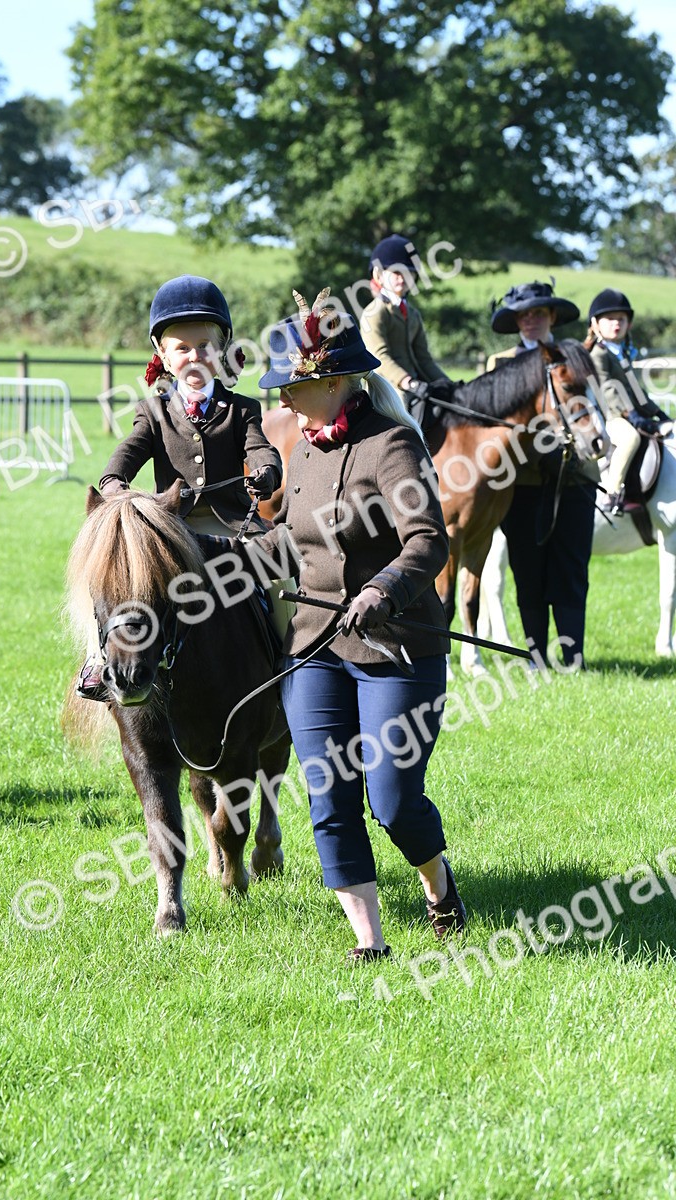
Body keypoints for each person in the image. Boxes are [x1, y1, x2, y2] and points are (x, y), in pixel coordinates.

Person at [195, 288, 466, 959]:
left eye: (292, 386)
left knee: (395, 800)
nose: (281, 400)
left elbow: (427, 540)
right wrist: (215, 561)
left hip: (398, 647)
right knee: (329, 794)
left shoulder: (393, 444)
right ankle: (370, 944)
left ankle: (439, 888)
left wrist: (383, 589)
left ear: (335, 381)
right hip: (313, 650)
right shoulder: (308, 452)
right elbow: (290, 542)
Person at [78, 274, 283, 700]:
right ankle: (100, 663)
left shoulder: (242, 408)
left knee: (280, 580)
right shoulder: (153, 412)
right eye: (182, 348)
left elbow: (261, 449)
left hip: (231, 530)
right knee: (121, 581)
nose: (194, 357)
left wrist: (267, 471)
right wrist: (114, 482)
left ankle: (294, 663)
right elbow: (129, 450)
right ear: (164, 356)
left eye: (204, 347)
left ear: (222, 350)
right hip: (172, 531)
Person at [487, 280, 596, 669]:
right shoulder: (500, 364)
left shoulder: (577, 355)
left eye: (537, 313)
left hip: (576, 479)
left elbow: (590, 410)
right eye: (523, 315)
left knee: (571, 568)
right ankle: (535, 657)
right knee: (527, 570)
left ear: (551, 315)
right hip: (523, 483)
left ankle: (573, 657)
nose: (530, 320)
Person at [586, 287, 673, 513]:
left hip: (626, 413)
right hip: (607, 415)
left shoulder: (623, 353)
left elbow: (636, 390)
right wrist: (630, 415)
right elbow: (607, 389)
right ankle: (612, 493)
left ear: (629, 324)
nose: (617, 323)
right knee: (630, 439)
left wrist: (659, 413)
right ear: (595, 324)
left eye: (621, 319)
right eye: (610, 319)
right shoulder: (598, 353)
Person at [360, 233, 452, 431]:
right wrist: (408, 382)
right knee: (405, 421)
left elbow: (424, 358)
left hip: (416, 384)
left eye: (408, 273)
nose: (402, 278)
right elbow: (379, 357)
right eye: (396, 272)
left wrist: (447, 383)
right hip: (389, 387)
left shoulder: (413, 314)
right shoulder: (374, 313)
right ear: (379, 275)